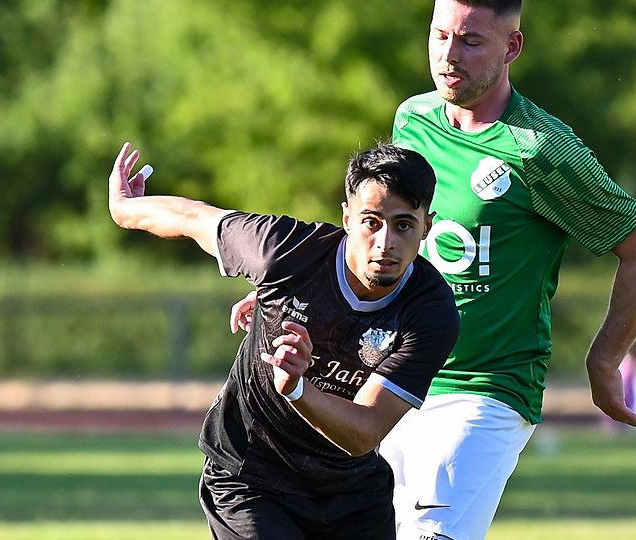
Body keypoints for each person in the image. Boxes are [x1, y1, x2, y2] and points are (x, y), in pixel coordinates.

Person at [231, 1, 636, 538]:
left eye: (470, 41)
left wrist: (604, 362)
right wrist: (298, 290)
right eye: (440, 35)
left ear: (512, 47)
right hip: (389, 376)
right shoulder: (413, 118)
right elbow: (382, 230)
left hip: (484, 388)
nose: (448, 55)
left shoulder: (542, 151)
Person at [107, 141, 460, 539]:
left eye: (404, 225)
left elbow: (364, 432)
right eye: (371, 222)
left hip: (351, 490)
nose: (385, 243)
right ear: (347, 218)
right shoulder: (285, 252)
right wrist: (124, 210)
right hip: (252, 476)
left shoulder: (431, 313)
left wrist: (297, 389)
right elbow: (195, 216)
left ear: (427, 226)